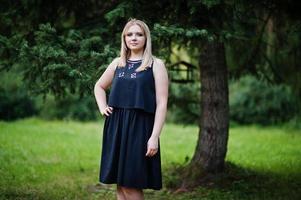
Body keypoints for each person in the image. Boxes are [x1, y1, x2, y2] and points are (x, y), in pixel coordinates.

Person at [94, 18, 169, 200]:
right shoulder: (117, 63)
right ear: (124, 38)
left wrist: (154, 137)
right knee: (120, 185)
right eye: (129, 34)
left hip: (140, 129)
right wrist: (103, 107)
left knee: (131, 184)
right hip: (116, 127)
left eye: (139, 34)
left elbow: (162, 103)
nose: (133, 38)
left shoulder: (155, 65)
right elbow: (99, 86)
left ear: (146, 38)